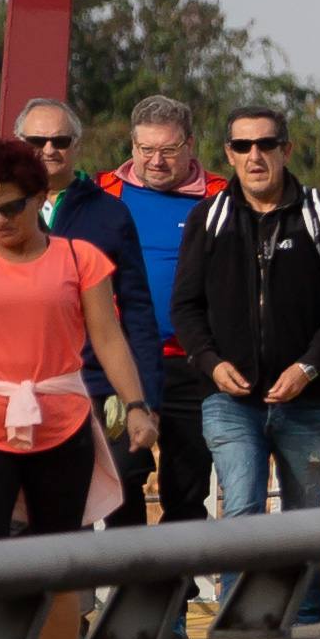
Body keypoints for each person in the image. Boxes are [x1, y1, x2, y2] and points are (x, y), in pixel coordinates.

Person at [0, 137, 159, 548]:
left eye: (12, 207)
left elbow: (109, 339)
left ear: (40, 198)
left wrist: (136, 405)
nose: (0, 220)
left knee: (58, 561)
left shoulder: (81, 259)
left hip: (63, 424)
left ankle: (63, 615)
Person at [173, 107, 320, 622]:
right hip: (230, 400)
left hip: (309, 400)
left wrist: (308, 368)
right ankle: (243, 618)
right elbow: (185, 308)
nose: (254, 156)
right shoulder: (208, 218)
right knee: (242, 508)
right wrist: (210, 364)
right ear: (228, 155)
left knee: (305, 518)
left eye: (265, 144)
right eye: (241, 146)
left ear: (286, 148)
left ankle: (304, 618)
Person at [94, 95, 224, 525]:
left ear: (190, 145)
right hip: (122, 362)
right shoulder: (101, 194)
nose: (157, 161)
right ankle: (134, 583)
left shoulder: (221, 196)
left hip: (194, 363)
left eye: (168, 150)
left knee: (187, 489)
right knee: (121, 475)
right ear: (132, 146)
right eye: (146, 150)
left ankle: (172, 587)